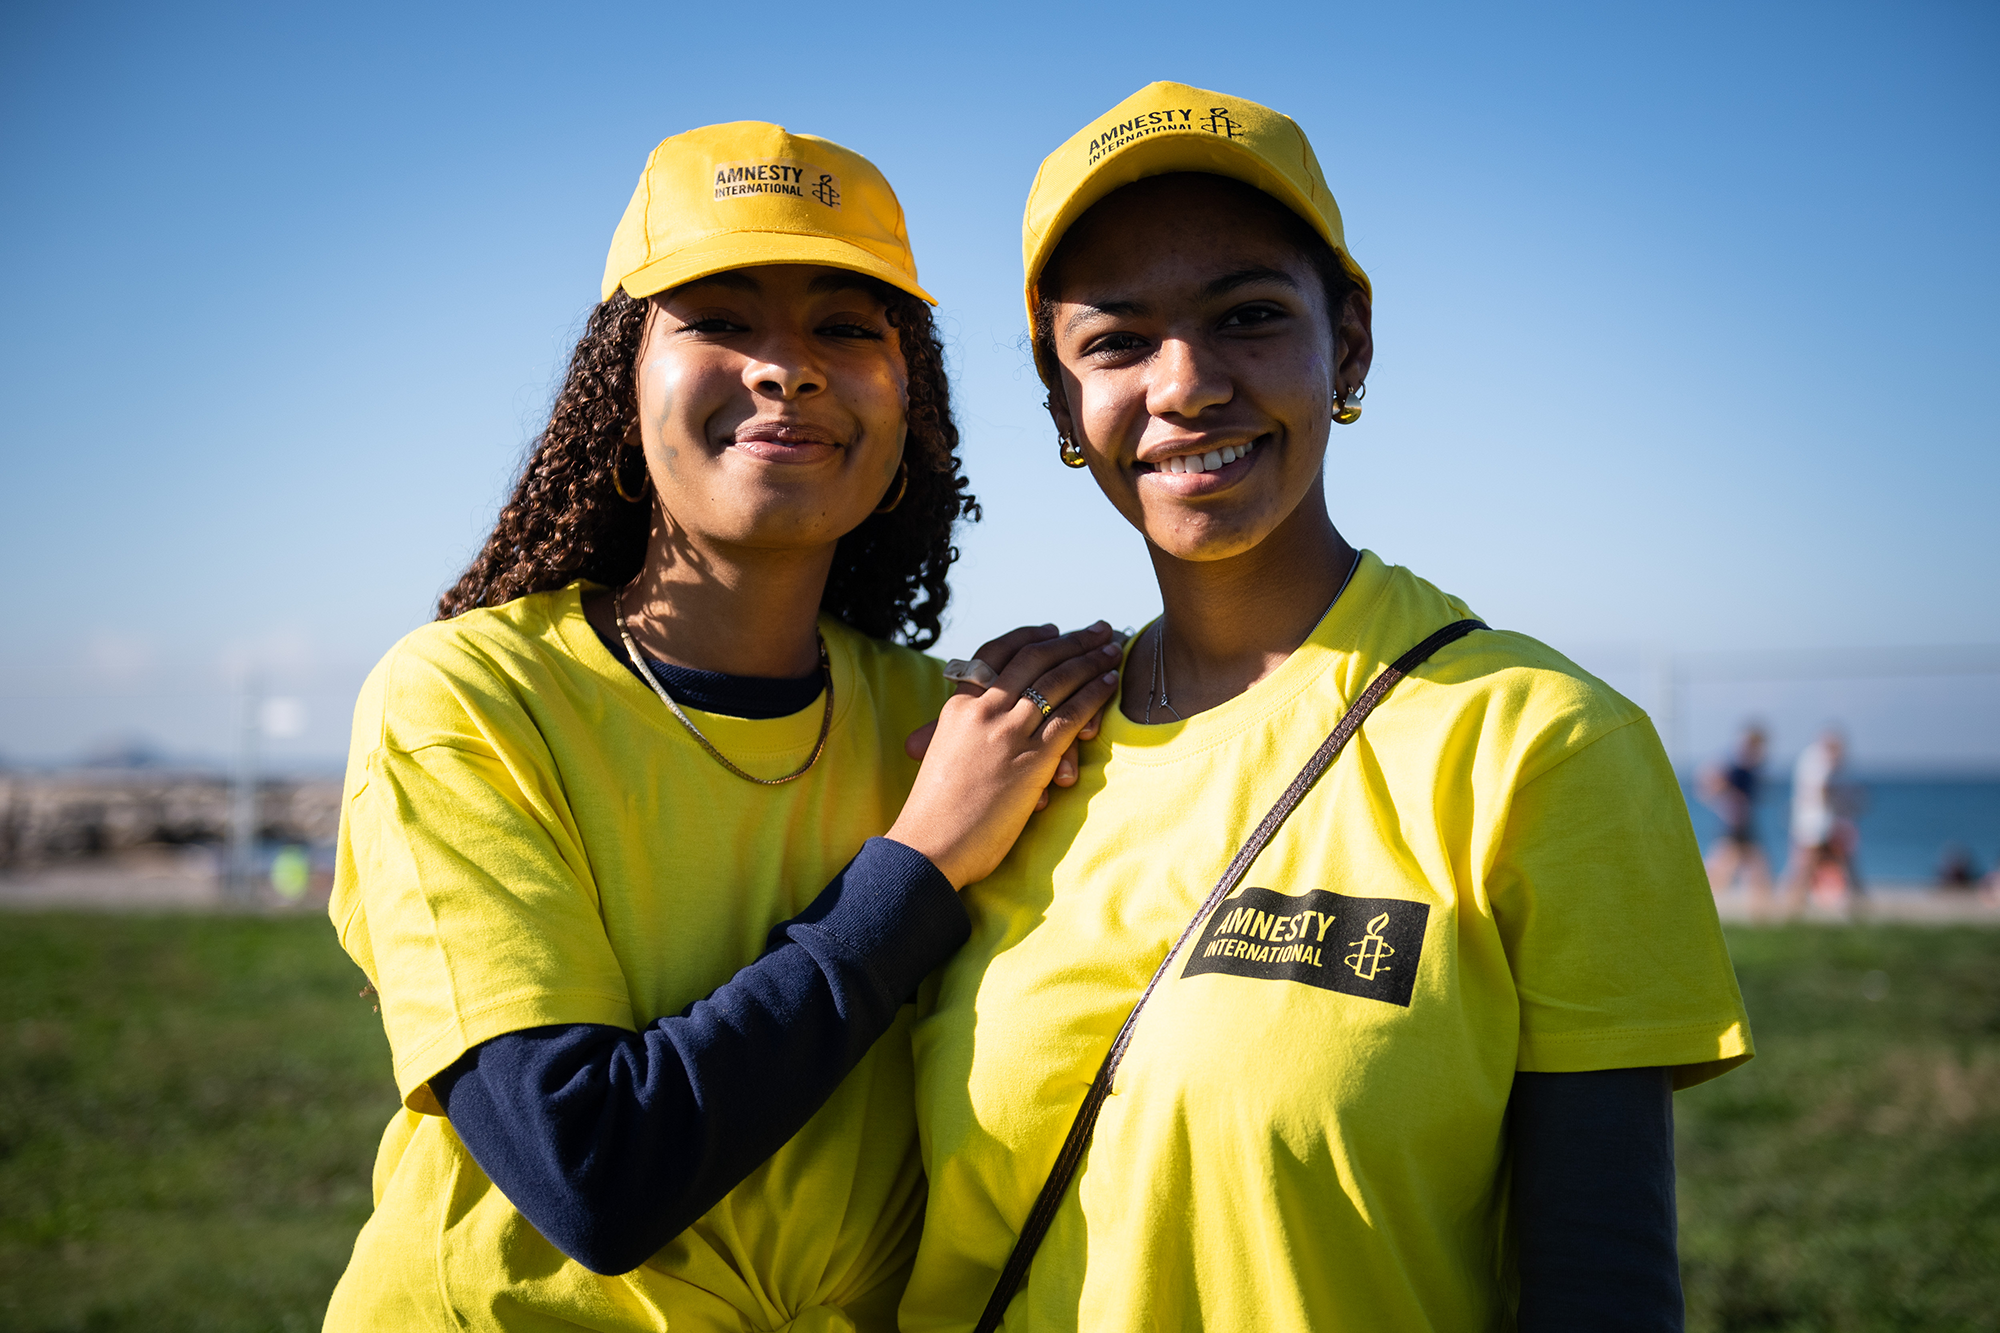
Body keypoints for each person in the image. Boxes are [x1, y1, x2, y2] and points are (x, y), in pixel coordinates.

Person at [900, 83, 1754, 1333]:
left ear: (1346, 342)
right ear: (1058, 406)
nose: (1184, 385)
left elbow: (1604, 1284)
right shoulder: (1005, 753)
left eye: (1247, 317)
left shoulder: (1536, 740)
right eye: (1117, 341)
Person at [322, 121, 1123, 1332]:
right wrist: (918, 866)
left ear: (911, 404)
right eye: (718, 318)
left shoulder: (948, 725)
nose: (784, 368)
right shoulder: (465, 698)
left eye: (846, 328)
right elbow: (587, 1172)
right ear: (619, 384)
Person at [1779, 728, 1863, 917]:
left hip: (1809, 821)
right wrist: (1842, 802)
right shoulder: (1820, 760)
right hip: (1815, 823)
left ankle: (1792, 905)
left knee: (1804, 864)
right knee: (1808, 864)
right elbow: (1822, 789)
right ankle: (1792, 904)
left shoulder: (1809, 758)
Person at [1699, 723, 1773, 912]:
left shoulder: (1745, 769)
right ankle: (1698, 905)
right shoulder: (1738, 769)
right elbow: (1708, 782)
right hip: (1735, 825)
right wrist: (1729, 804)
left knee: (1747, 868)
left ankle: (1759, 911)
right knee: (1728, 870)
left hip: (1739, 825)